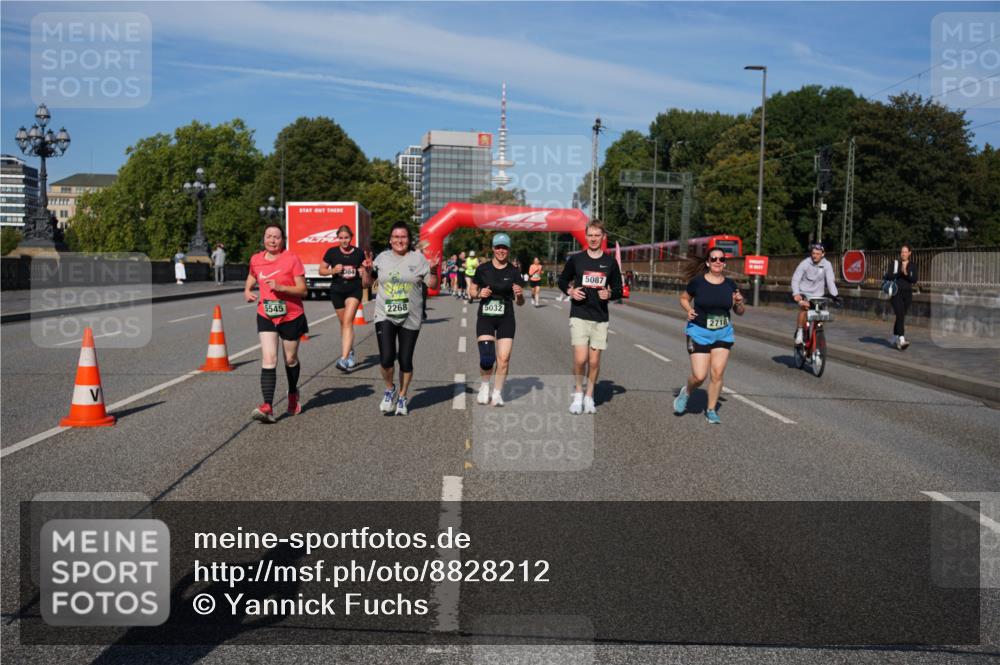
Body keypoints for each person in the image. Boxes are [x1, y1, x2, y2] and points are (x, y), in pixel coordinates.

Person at [363, 221, 440, 416]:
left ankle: (403, 395)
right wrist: (366, 270)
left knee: (405, 360)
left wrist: (432, 270)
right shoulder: (381, 258)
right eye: (396, 237)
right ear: (390, 240)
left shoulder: (418, 259)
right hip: (385, 314)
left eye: (403, 237)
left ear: (408, 240)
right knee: (386, 358)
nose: (399, 240)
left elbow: (431, 284)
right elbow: (367, 283)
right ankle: (390, 389)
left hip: (411, 315)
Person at [672, 249, 746, 424]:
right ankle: (687, 392)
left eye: (721, 259)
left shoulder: (730, 285)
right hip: (699, 332)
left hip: (723, 333)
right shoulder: (697, 283)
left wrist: (739, 302)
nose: (718, 261)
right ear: (708, 262)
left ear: (724, 263)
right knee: (699, 376)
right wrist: (689, 310)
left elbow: (740, 312)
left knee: (718, 373)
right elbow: (683, 298)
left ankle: (711, 410)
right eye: (714, 259)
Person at [244, 224, 308, 423]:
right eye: (269, 236)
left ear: (283, 240)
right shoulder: (256, 259)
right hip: (266, 314)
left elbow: (303, 290)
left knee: (290, 359)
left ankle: (292, 393)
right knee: (269, 359)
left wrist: (281, 287)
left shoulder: (292, 259)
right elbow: (252, 275)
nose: (272, 240)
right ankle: (268, 406)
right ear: (263, 238)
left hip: (291, 315)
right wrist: (247, 290)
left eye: (276, 237)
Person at [557, 220, 623, 414]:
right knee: (580, 359)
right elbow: (561, 280)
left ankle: (589, 395)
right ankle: (578, 393)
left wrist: (610, 294)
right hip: (579, 314)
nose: (593, 239)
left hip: (600, 317)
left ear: (603, 237)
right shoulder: (577, 260)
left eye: (597, 235)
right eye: (590, 235)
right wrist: (570, 291)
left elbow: (619, 289)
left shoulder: (610, 262)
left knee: (594, 362)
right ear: (585, 236)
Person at [470, 233, 526, 407]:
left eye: (504, 248)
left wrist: (519, 295)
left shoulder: (514, 271)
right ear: (493, 249)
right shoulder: (483, 269)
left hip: (506, 318)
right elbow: (471, 291)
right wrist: (479, 294)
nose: (501, 251)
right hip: (486, 317)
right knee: (487, 358)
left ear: (508, 250)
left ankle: (497, 393)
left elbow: (520, 303)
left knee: (503, 358)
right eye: (498, 247)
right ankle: (485, 386)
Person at [320, 225, 367, 372]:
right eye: (341, 238)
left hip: (354, 290)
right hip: (337, 291)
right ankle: (350, 351)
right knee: (343, 324)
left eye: (346, 238)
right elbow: (321, 270)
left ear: (351, 238)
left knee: (347, 322)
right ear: (337, 238)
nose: (344, 241)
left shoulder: (359, 253)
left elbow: (365, 274)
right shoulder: (332, 252)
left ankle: (344, 359)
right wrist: (333, 270)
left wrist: (363, 270)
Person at [791, 243, 839, 347]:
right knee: (805, 308)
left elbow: (830, 281)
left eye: (818, 253)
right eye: (813, 253)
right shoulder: (805, 263)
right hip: (804, 292)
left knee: (820, 316)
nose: (815, 256)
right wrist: (796, 293)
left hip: (818, 295)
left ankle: (818, 337)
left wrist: (835, 295)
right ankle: (800, 332)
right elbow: (795, 279)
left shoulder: (827, 264)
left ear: (823, 254)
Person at [884, 243, 918, 350]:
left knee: (900, 315)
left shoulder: (912, 265)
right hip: (896, 293)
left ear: (909, 253)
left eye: (905, 252)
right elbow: (888, 275)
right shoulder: (895, 263)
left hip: (907, 294)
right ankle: (902, 339)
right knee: (900, 315)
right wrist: (900, 272)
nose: (903, 254)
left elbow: (914, 280)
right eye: (902, 252)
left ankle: (894, 337)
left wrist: (906, 273)